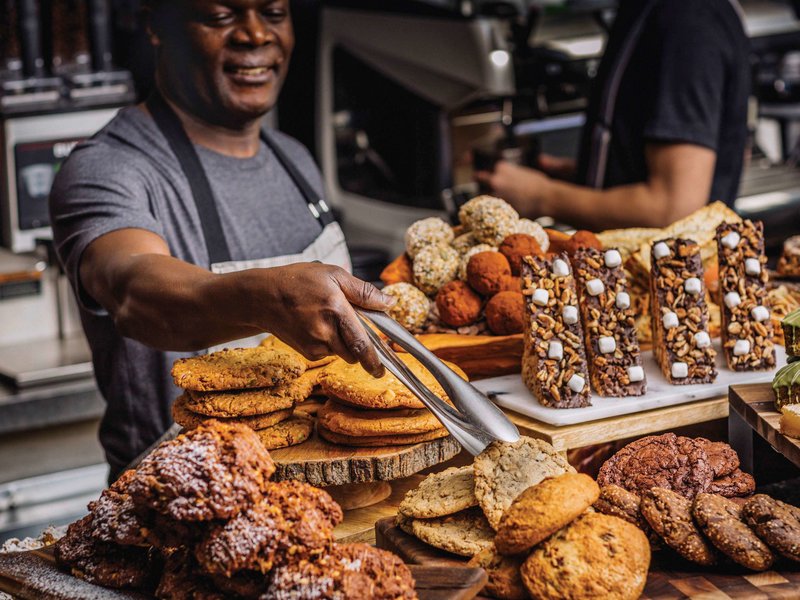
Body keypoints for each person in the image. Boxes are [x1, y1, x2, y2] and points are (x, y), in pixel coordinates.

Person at [49, 0, 393, 479]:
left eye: (273, 13)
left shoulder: (292, 158)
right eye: (220, 16)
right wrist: (264, 301)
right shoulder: (109, 167)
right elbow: (133, 291)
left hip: (321, 487)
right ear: (156, 26)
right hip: (181, 501)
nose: (255, 35)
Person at [476, 0, 750, 230]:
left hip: (669, 285)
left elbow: (673, 208)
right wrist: (586, 174)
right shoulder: (648, 9)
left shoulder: (688, 19)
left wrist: (543, 196)